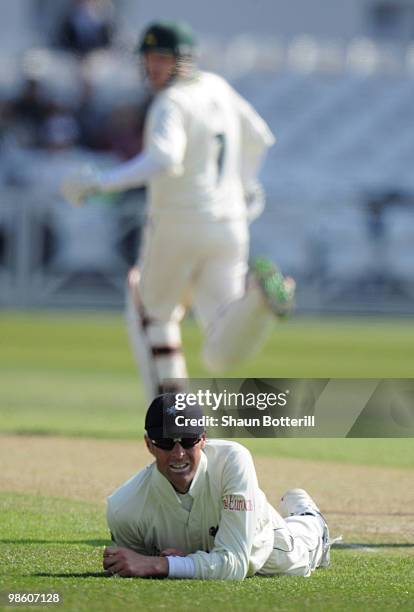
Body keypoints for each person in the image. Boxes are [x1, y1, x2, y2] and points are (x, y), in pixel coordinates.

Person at [62, 20, 295, 401]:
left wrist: (99, 183)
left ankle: (172, 419)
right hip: (229, 225)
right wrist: (247, 185)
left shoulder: (170, 102)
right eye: (149, 58)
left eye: (162, 58)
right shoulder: (218, 87)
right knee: (221, 346)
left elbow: (165, 159)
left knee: (150, 310)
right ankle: (258, 300)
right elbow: (260, 137)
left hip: (177, 221)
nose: (153, 67)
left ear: (182, 60)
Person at [103, 393, 332, 580]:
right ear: (148, 444)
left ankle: (309, 517)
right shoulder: (122, 508)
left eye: (188, 440)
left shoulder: (233, 461)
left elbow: (235, 565)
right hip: (213, 553)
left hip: (262, 545)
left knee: (302, 554)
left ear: (203, 439)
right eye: (165, 442)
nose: (178, 453)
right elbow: (137, 567)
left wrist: (166, 564)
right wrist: (172, 563)